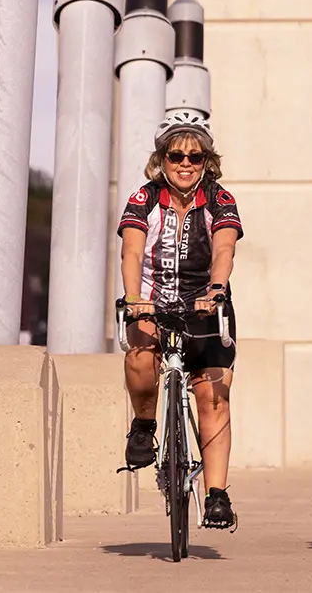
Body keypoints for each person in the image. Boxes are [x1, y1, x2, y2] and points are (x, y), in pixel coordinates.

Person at [119, 108, 244, 531]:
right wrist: (135, 298)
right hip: (154, 302)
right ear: (162, 160)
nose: (185, 164)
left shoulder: (219, 199)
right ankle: (144, 425)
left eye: (195, 157)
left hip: (204, 304)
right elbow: (132, 251)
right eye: (176, 156)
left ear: (207, 161)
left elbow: (224, 248)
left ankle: (217, 495)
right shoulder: (144, 197)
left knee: (213, 398)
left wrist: (217, 290)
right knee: (139, 357)